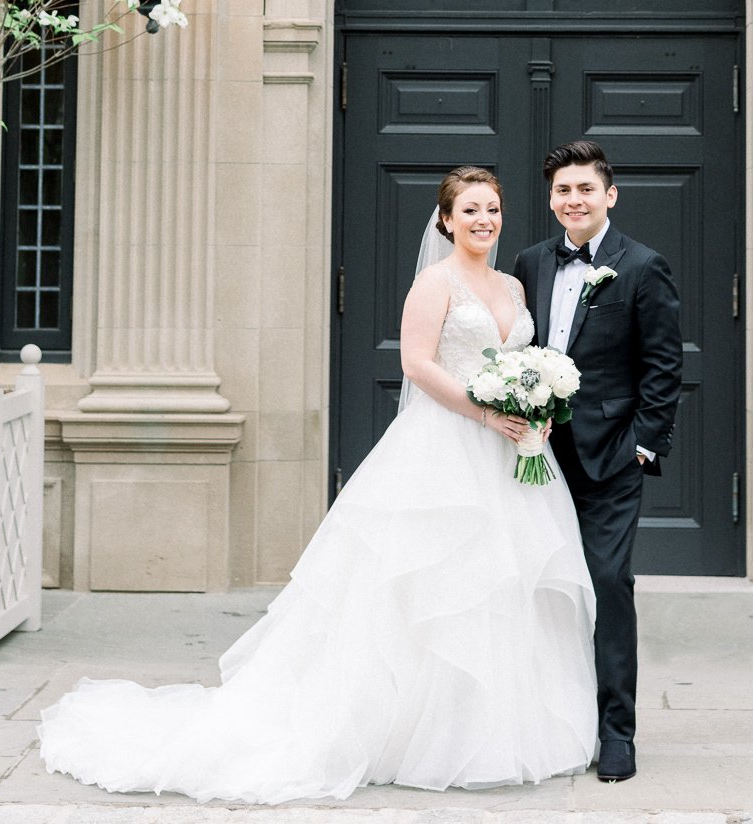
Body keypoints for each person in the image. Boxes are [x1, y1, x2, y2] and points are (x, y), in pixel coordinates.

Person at [37, 167, 597, 804]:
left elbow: (527, 362)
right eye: (469, 209)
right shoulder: (433, 283)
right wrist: (484, 411)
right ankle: (409, 731)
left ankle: (496, 731)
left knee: (506, 586)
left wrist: (533, 408)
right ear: (446, 220)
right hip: (446, 447)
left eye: (492, 209)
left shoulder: (513, 287)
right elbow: (416, 363)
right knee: (433, 584)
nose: (483, 220)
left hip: (513, 457)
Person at [513, 139, 682, 785]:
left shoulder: (641, 266)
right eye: (562, 190)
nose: (573, 200)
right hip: (532, 459)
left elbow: (663, 367)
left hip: (608, 458)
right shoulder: (529, 262)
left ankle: (616, 733)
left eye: (584, 189)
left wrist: (641, 447)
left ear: (608, 195)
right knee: (536, 589)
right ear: (551, 199)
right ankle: (544, 719)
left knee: (607, 587)